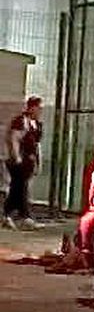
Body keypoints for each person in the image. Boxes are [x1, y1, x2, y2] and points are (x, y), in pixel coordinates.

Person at [3, 96, 43, 230]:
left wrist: (37, 161)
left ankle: (9, 214)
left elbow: (37, 145)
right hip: (19, 160)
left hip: (29, 160)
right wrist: (17, 157)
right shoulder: (21, 121)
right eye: (38, 108)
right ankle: (25, 216)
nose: (40, 111)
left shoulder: (37, 124)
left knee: (17, 188)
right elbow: (14, 139)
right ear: (32, 107)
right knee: (21, 186)